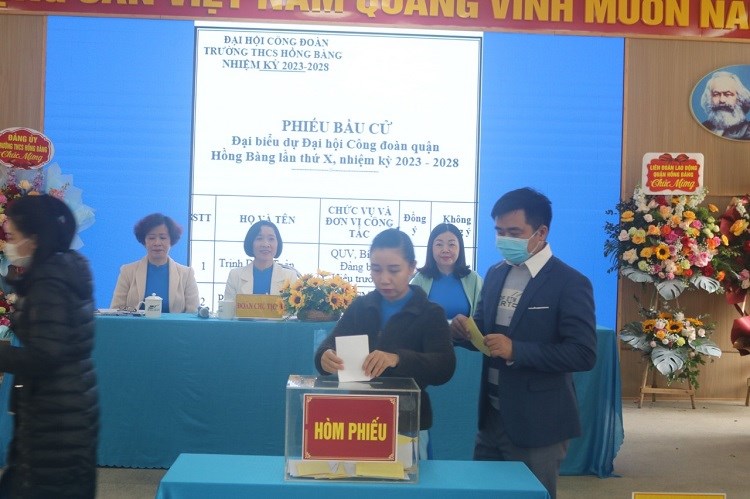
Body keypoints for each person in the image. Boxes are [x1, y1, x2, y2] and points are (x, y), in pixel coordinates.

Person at [450, 188, 596, 499]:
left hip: (539, 424)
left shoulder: (570, 282)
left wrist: (517, 350)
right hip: (491, 418)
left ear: (541, 233)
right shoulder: (495, 273)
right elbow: (486, 335)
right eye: (499, 231)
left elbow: (583, 353)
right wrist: (463, 333)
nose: (504, 240)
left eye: (514, 233)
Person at [314, 228, 456, 457]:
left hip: (408, 423)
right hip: (360, 422)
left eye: (394, 270)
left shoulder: (430, 313)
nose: (384, 279)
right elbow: (330, 344)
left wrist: (397, 359)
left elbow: (444, 366)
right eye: (376, 269)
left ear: (412, 267)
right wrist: (324, 356)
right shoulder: (361, 307)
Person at [0, 194, 99, 498]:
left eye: (11, 237)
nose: (7, 245)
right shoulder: (65, 268)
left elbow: (44, 355)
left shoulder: (49, 282)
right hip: (65, 405)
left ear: (33, 239)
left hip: (56, 416)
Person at [110, 213, 199, 313]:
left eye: (163, 238)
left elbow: (193, 313)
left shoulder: (187, 274)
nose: (157, 243)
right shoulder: (128, 271)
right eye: (151, 238)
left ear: (171, 240)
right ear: (144, 241)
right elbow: (116, 309)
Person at [411, 223, 483, 323]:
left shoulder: (474, 279)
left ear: (460, 248)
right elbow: (411, 319)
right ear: (431, 248)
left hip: (465, 334)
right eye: (439, 244)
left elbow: (482, 318)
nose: (445, 250)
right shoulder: (419, 280)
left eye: (451, 244)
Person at [224, 219, 300, 299]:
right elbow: (228, 306)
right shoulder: (235, 275)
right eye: (259, 238)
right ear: (250, 242)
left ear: (278, 243)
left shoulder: (289, 276)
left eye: (271, 239)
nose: (265, 244)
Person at [700, 70, 750, 140]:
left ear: (739, 98)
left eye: (727, 94)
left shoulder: (748, 132)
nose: (722, 100)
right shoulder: (702, 127)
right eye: (716, 94)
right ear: (709, 99)